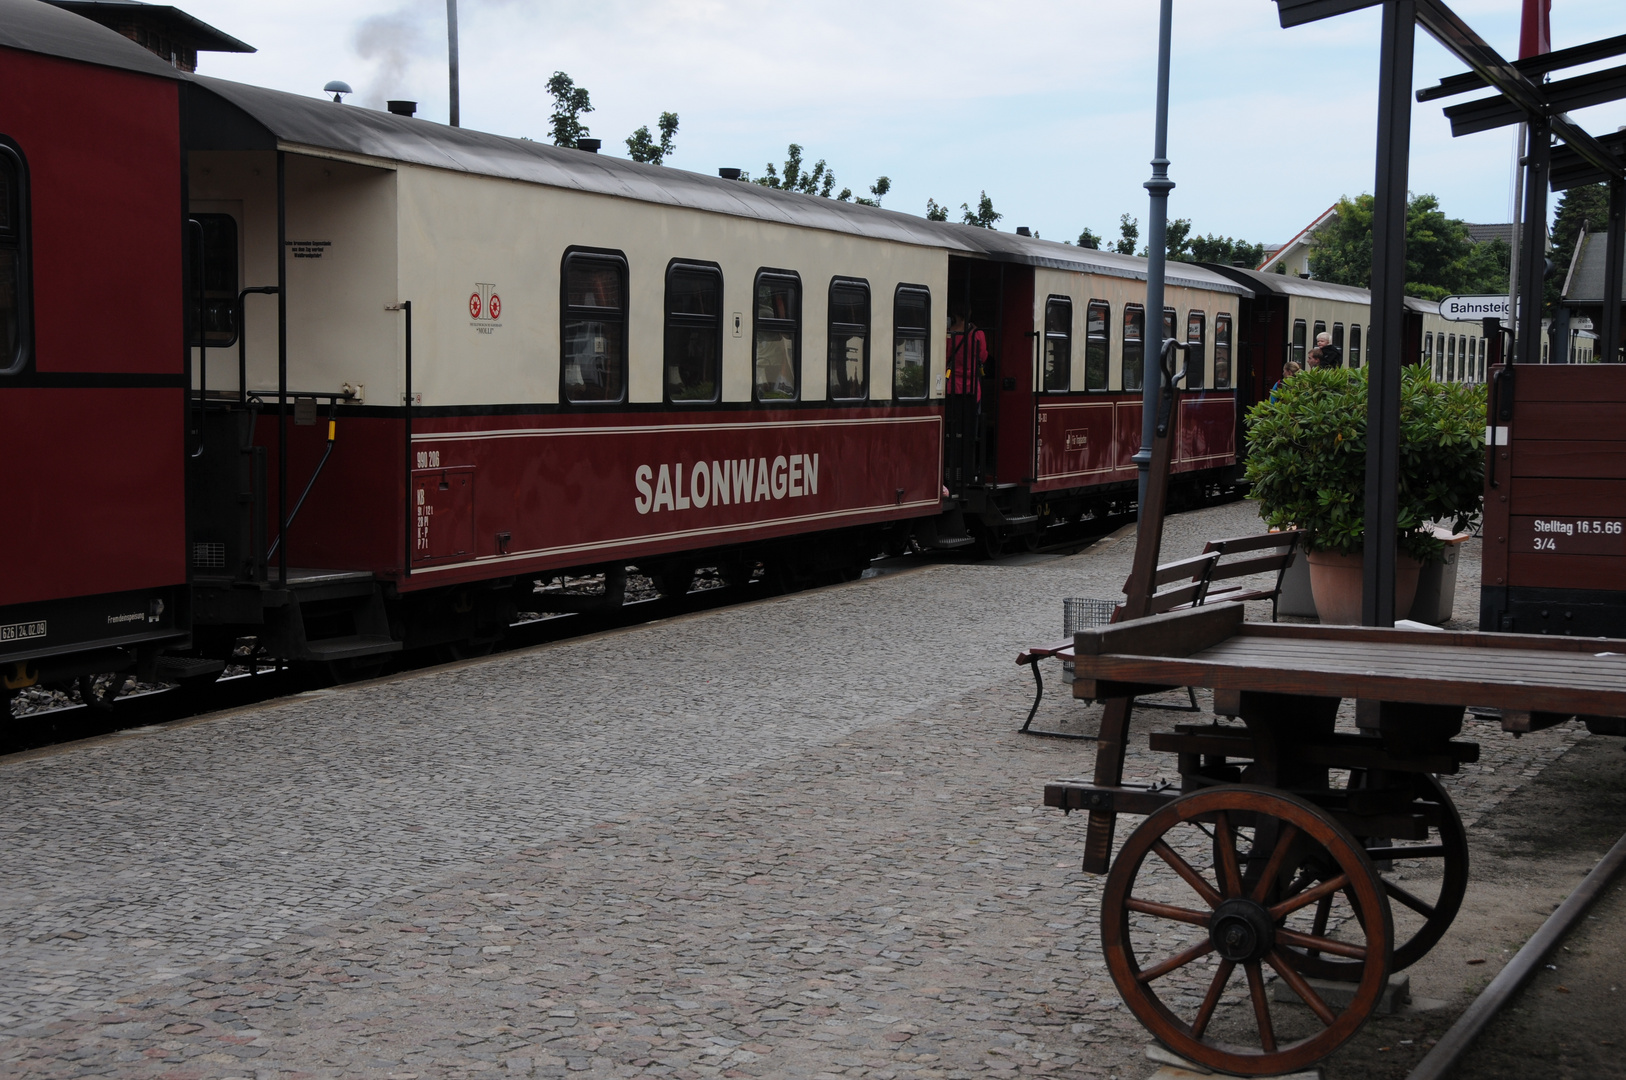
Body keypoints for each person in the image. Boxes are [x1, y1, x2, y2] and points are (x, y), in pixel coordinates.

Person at [945, 309, 987, 399]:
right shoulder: (978, 334)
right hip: (972, 387)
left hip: (951, 385)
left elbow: (944, 357)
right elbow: (983, 357)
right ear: (970, 312)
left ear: (953, 314)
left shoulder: (947, 334)